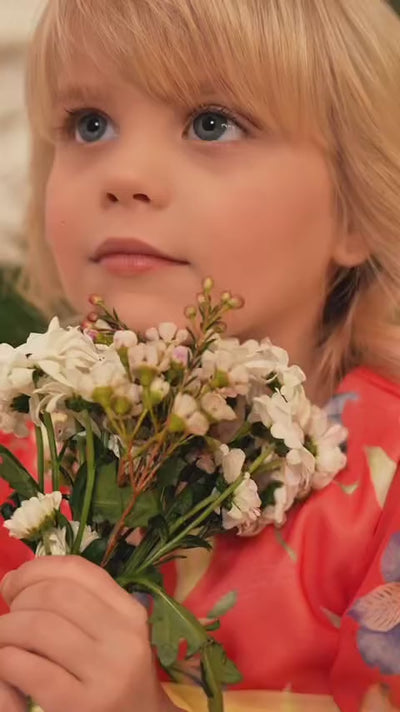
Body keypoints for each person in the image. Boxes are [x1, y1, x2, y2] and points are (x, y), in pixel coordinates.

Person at [0, 0, 399, 710]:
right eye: (89, 124)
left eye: (212, 122)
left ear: (354, 207)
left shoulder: (386, 492)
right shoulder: (19, 454)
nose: (124, 174)